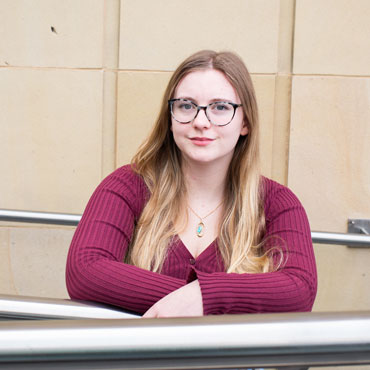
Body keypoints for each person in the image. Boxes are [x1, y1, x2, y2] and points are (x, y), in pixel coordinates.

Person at [66, 50, 317, 317]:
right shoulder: (128, 186)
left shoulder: (277, 203)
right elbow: (85, 270)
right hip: (143, 358)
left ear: (245, 122)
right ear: (170, 117)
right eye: (186, 105)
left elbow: (299, 289)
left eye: (220, 107)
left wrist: (203, 296)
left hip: (233, 361)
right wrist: (202, 299)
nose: (200, 122)